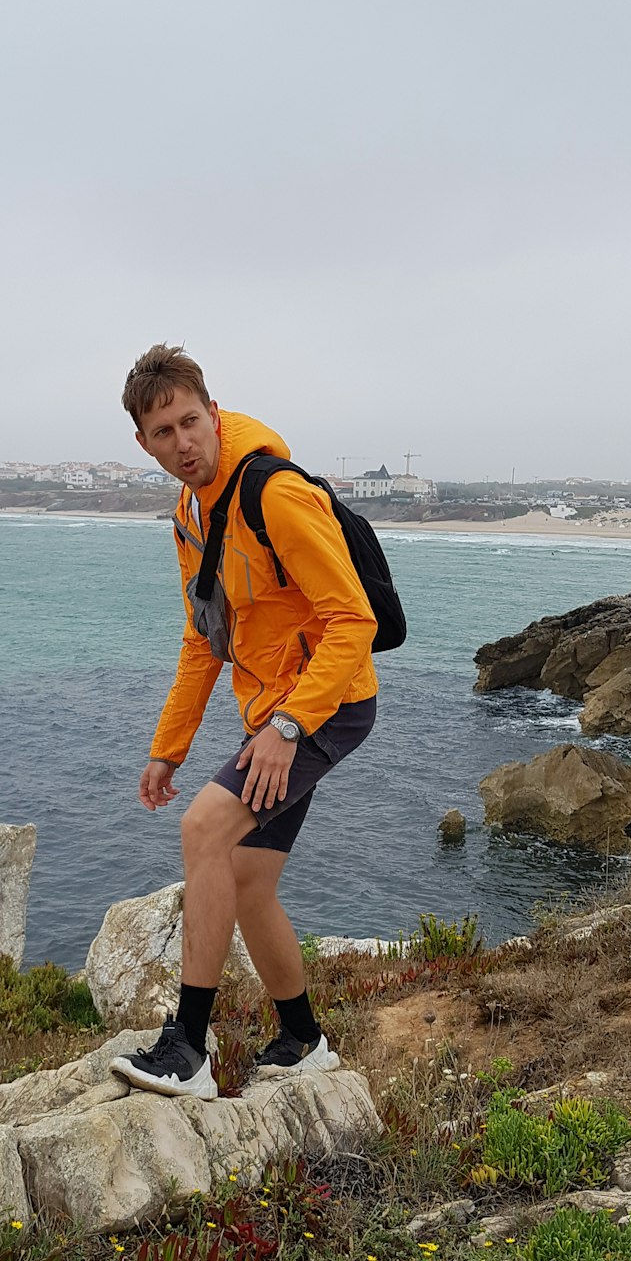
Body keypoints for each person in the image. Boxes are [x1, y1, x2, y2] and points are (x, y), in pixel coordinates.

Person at [111, 343, 378, 1101]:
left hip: (326, 705)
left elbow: (351, 621)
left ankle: (188, 1049)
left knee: (203, 830)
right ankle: (303, 1037)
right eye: (163, 434)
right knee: (247, 880)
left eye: (190, 422)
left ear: (213, 412)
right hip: (276, 712)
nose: (182, 443)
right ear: (143, 442)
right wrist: (169, 749)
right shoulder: (190, 515)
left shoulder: (274, 494)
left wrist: (289, 727)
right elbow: (205, 640)